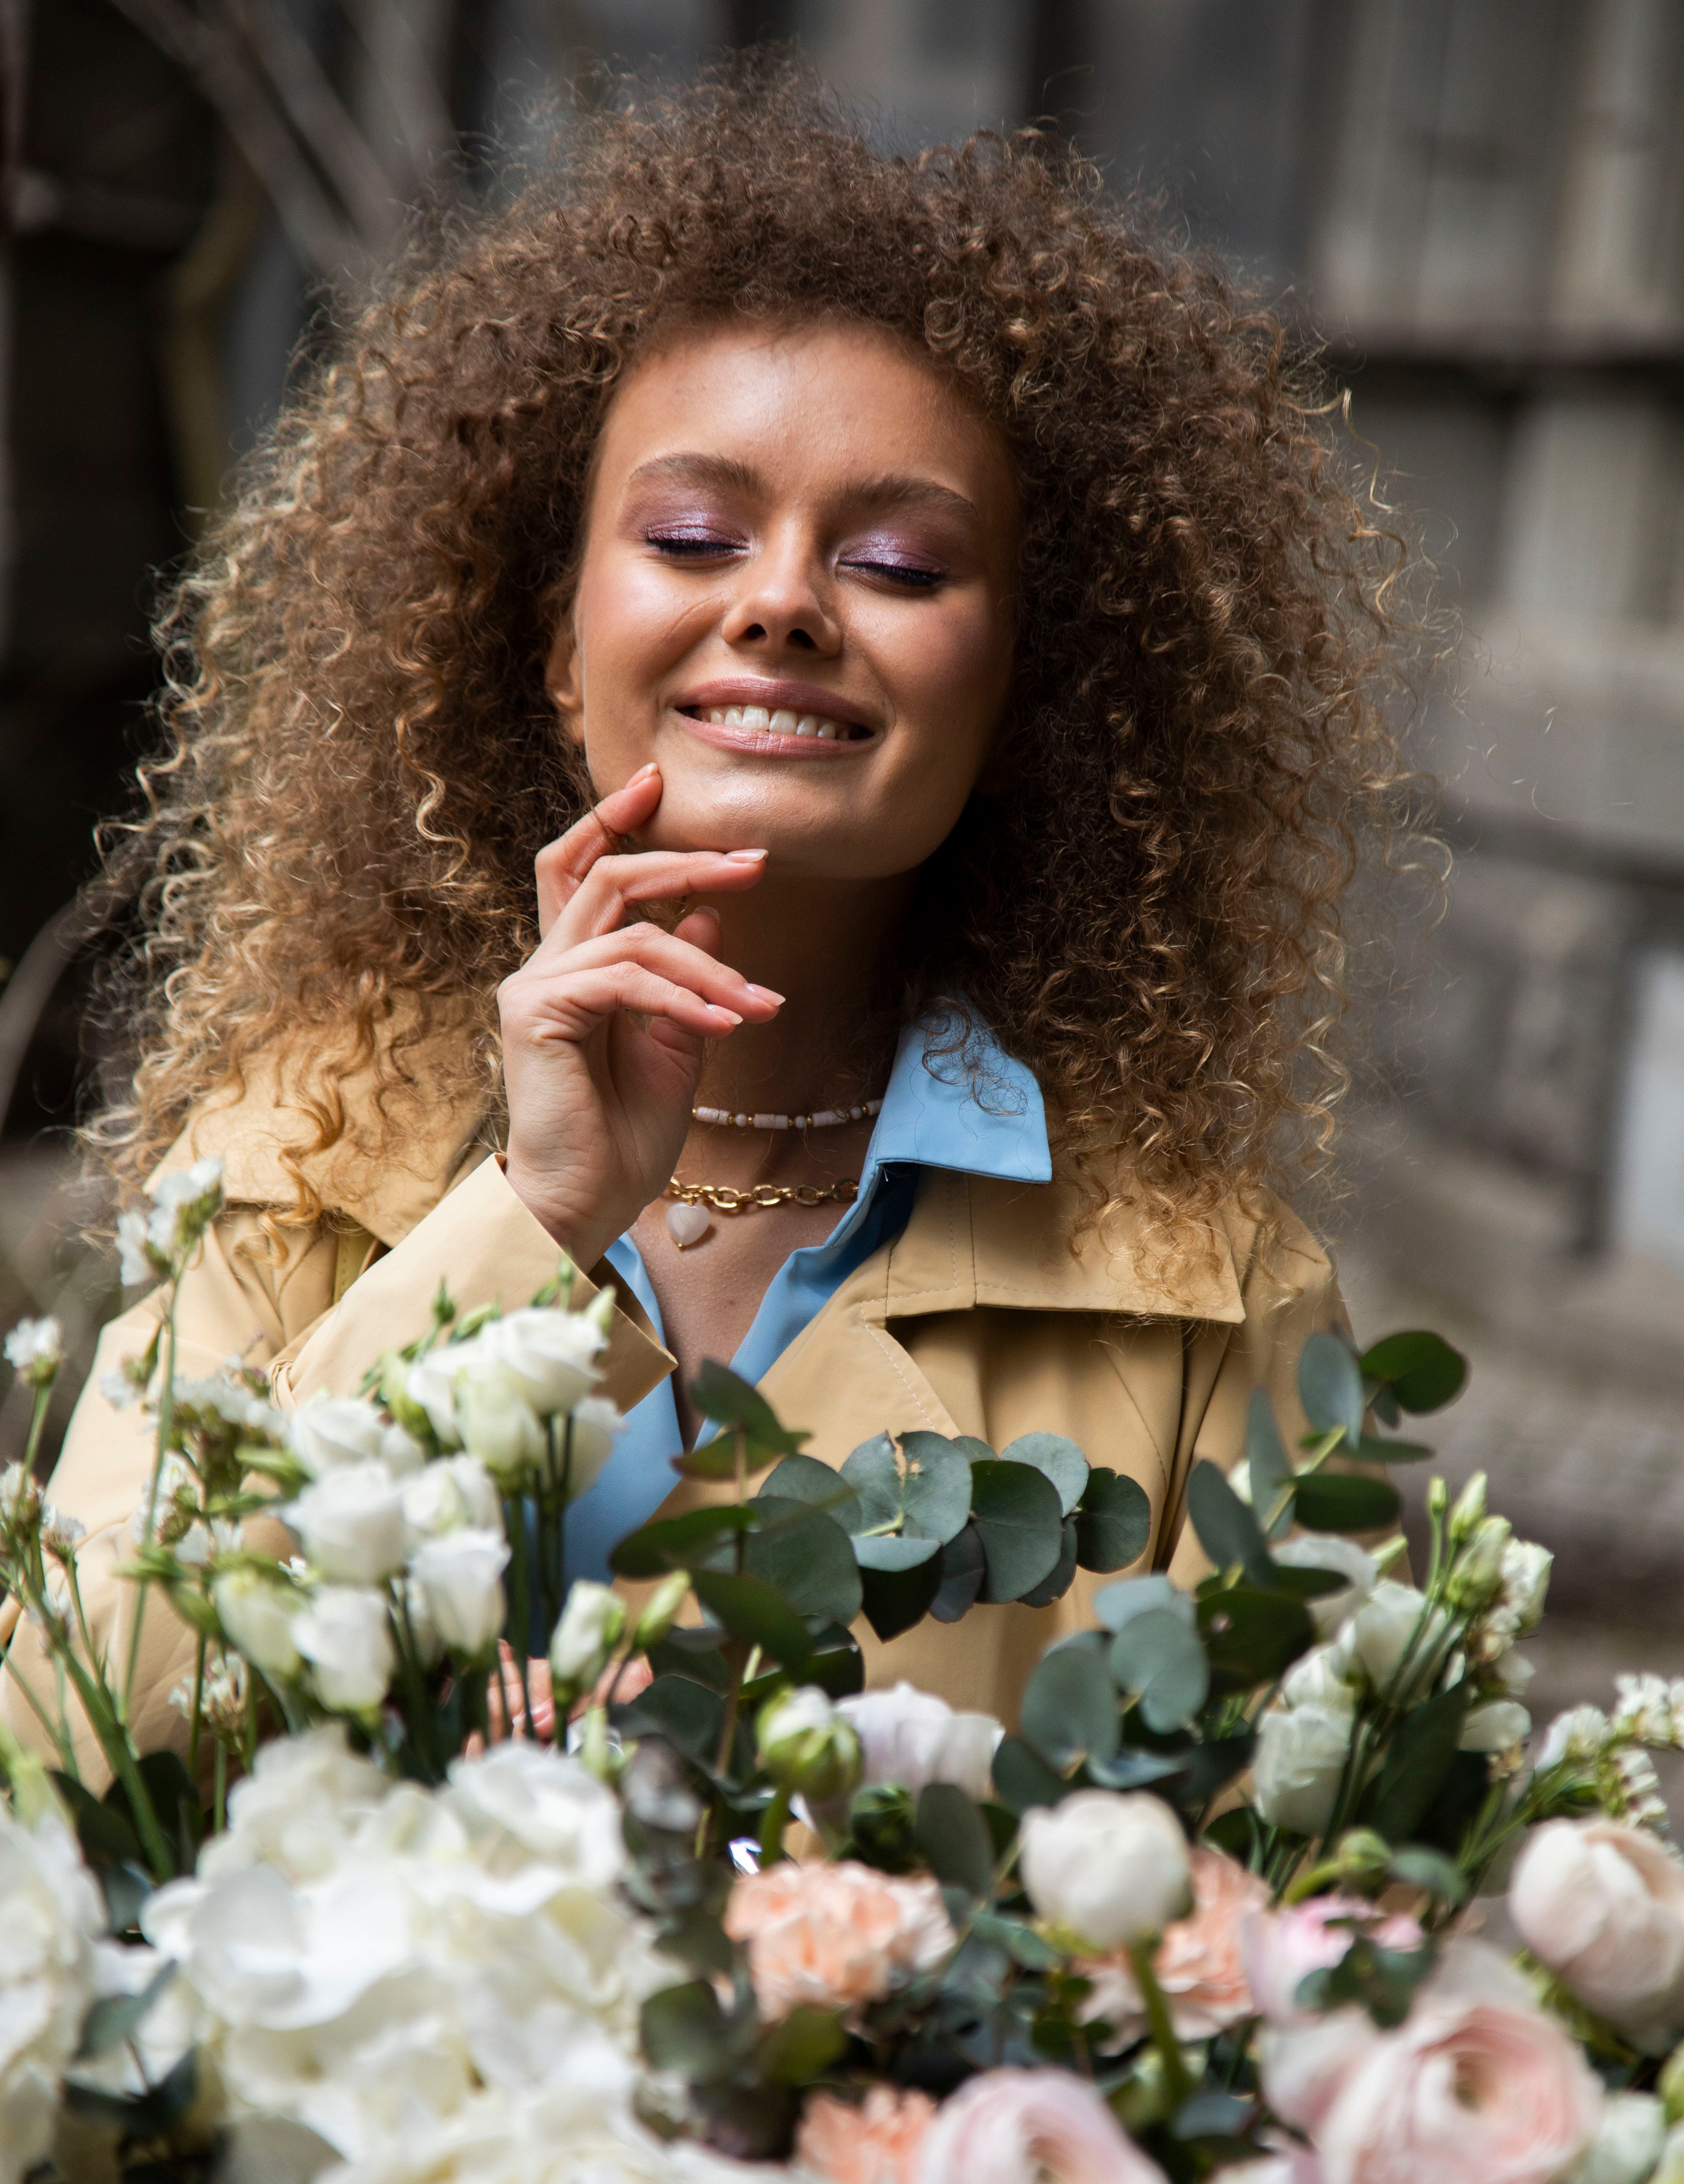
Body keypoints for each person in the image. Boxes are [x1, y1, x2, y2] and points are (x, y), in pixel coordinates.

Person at [2, 69, 1424, 1780]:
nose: (780, 602)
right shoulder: (293, 1163)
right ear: (553, 647)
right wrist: (528, 1221)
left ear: (1023, 700)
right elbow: (56, 1752)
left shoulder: (1206, 1294)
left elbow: (1324, 1886)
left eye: (899, 565)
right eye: (693, 535)